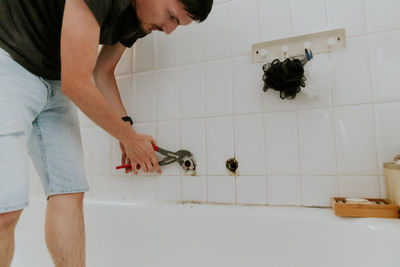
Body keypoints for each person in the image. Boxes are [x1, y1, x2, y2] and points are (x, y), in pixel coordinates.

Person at [0, 0, 213, 266]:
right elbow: (77, 83)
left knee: (69, 192)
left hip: (54, 80)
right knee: (5, 209)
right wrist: (129, 138)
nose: (168, 30)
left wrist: (126, 129)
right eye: (171, 16)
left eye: (177, 25)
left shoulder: (141, 21)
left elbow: (102, 72)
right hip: (9, 62)